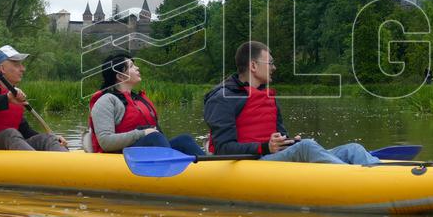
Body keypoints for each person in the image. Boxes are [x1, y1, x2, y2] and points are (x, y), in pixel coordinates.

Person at [203, 41, 379, 164]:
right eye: (270, 63)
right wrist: (264, 147)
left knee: (353, 149)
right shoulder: (223, 98)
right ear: (253, 66)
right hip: (251, 163)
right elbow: (223, 149)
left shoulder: (267, 96)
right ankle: (358, 180)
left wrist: (289, 142)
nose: (274, 67)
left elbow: (280, 136)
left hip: (272, 157)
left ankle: (386, 176)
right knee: (307, 147)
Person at [88, 52, 206, 156]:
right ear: (120, 76)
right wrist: (143, 133)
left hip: (145, 154)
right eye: (131, 66)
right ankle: (170, 175)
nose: (137, 68)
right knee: (154, 137)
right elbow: (106, 142)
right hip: (121, 160)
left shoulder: (138, 100)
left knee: (184, 140)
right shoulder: (106, 101)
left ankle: (209, 170)